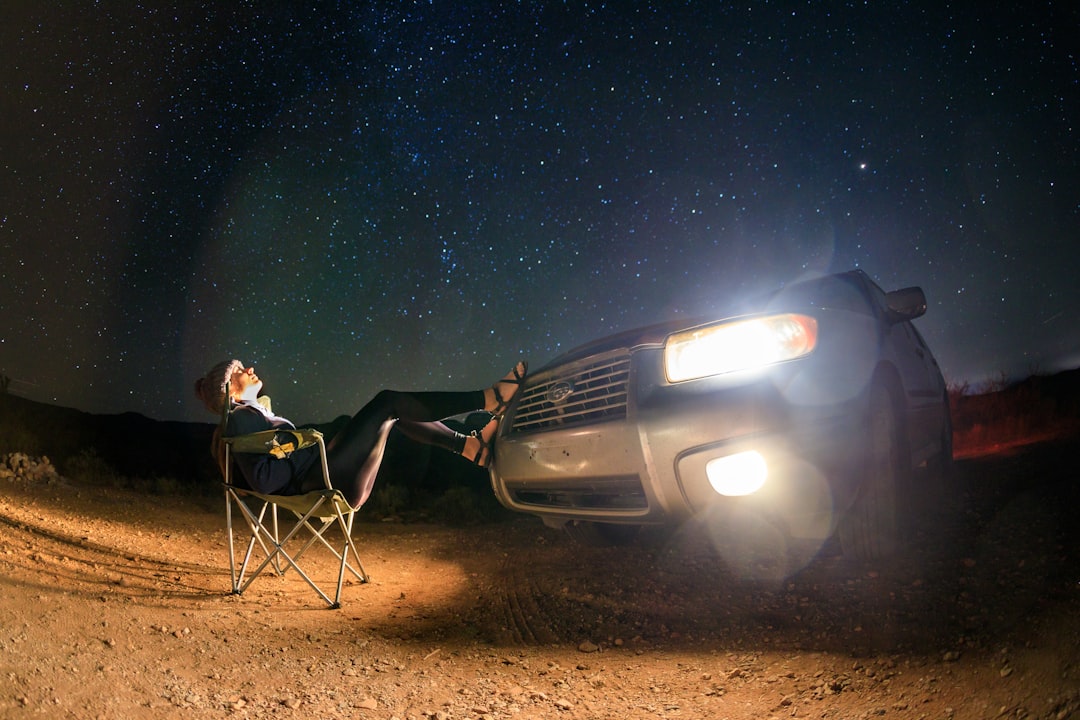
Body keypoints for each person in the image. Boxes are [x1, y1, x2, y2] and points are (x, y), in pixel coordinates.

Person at [194, 359, 527, 508]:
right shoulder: (239, 418)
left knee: (389, 412)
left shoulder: (255, 414)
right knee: (387, 402)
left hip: (326, 475)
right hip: (323, 483)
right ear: (230, 392)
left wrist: (303, 443)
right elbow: (264, 480)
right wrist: (298, 446)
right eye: (239, 372)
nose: (249, 370)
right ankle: (487, 399)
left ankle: (472, 447)